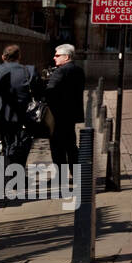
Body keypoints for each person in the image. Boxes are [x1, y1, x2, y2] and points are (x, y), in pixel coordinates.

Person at [44, 43, 84, 173]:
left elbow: (50, 90)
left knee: (57, 146)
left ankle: (60, 176)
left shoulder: (61, 71)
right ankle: (76, 173)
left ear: (66, 57)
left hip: (58, 115)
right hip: (71, 114)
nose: (54, 58)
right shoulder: (78, 70)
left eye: (57, 55)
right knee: (71, 145)